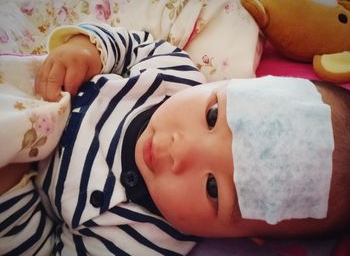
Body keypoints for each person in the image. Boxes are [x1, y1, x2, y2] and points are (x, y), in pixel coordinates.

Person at [0, 23, 349, 255]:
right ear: (235, 84)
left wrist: (11, 190)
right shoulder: (172, 74)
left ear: (247, 236)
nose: (180, 150)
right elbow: (131, 46)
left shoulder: (139, 242)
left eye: (213, 187)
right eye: (212, 116)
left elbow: (41, 249)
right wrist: (87, 51)